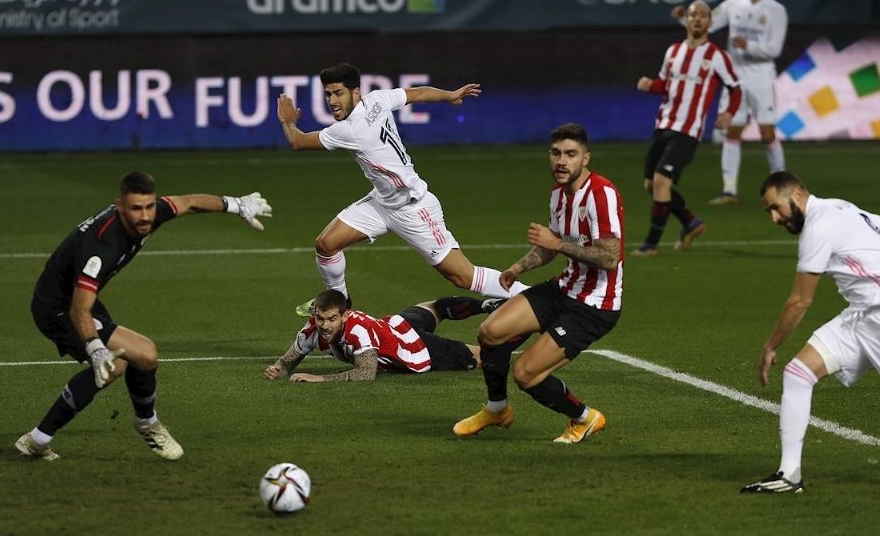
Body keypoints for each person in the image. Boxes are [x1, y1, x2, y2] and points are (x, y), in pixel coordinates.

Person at [17, 172, 272, 461]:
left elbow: (188, 203)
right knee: (134, 358)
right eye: (136, 209)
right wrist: (94, 347)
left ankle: (37, 441)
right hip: (58, 307)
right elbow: (79, 309)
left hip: (77, 297)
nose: (145, 216)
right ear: (119, 207)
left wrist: (236, 204)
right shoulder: (102, 247)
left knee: (133, 361)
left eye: (149, 206)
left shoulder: (151, 214)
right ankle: (146, 423)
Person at [742, 171, 880, 493]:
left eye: (775, 208)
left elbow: (799, 301)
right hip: (861, 317)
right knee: (797, 373)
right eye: (769, 212)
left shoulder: (818, 227)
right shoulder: (841, 207)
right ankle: (789, 475)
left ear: (795, 193)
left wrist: (770, 346)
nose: (775, 218)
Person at [276, 62, 529, 302]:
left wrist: (288, 121)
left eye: (338, 93)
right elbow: (416, 94)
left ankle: (532, 296)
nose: (332, 101)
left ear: (355, 92)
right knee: (326, 244)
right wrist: (449, 95)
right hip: (383, 202)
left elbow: (297, 142)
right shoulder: (377, 99)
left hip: (414, 208)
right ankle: (339, 302)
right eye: (328, 94)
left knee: (463, 277)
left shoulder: (350, 130)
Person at [453, 123, 623, 444]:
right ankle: (496, 409)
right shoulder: (558, 196)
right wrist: (517, 268)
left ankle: (585, 418)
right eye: (557, 153)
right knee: (490, 332)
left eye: (571, 154)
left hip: (594, 305)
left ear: (585, 158)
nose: (562, 161)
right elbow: (550, 243)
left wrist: (557, 245)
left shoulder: (602, 195)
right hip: (564, 288)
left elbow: (610, 257)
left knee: (526, 374)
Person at [631, 0, 741, 257]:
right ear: (687, 20)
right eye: (693, 15)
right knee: (652, 185)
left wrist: (728, 113)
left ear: (710, 23)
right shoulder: (673, 52)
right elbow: (665, 85)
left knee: (660, 181)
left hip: (688, 131)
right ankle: (691, 222)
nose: (698, 19)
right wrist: (650, 85)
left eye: (703, 15)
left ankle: (651, 244)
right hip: (664, 124)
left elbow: (735, 88)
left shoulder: (716, 56)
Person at [672, 0, 788, 205]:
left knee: (767, 133)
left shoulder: (775, 10)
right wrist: (683, 19)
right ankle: (729, 190)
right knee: (732, 131)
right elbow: (708, 23)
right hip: (735, 76)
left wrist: (749, 45)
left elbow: (775, 49)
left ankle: (783, 185)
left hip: (762, 77)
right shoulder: (733, 3)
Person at [263, 290, 504, 382]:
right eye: (320, 318)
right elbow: (287, 362)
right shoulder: (312, 330)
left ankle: (518, 327)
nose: (324, 325)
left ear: (344, 316)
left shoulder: (357, 331)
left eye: (331, 319)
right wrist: (278, 369)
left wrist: (319, 379)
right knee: (435, 307)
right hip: (396, 324)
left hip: (414, 347)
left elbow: (366, 373)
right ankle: (484, 306)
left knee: (485, 356)